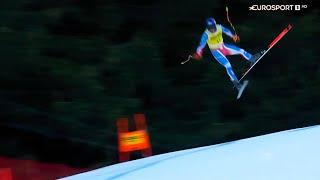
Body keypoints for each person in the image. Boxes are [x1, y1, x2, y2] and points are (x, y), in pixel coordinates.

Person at [193, 17, 262, 93]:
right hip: (216, 52)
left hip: (224, 47)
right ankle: (237, 85)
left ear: (215, 25)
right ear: (207, 27)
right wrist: (198, 53)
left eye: (213, 27)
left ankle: (252, 59)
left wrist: (233, 36)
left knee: (241, 50)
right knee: (228, 65)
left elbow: (226, 31)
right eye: (210, 28)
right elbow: (201, 46)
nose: (212, 29)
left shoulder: (219, 27)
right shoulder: (205, 34)